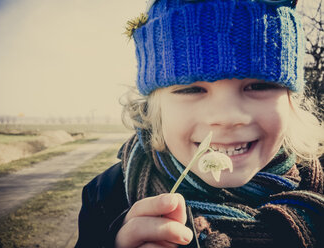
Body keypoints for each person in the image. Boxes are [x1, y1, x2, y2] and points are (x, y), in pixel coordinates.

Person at [75, 0, 324, 247]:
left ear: (292, 101)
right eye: (192, 89)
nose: (226, 117)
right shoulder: (105, 198)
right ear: (155, 110)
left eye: (259, 85)